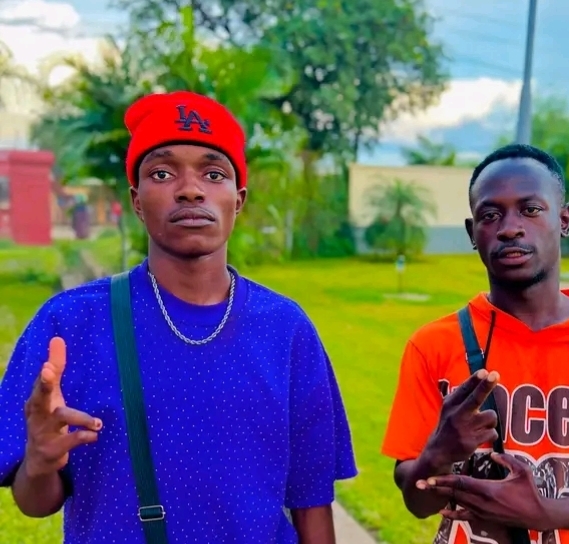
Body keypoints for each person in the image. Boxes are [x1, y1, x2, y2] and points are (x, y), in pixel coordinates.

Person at [0, 90, 357, 544]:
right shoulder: (71, 324)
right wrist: (38, 462)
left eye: (214, 173)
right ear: (136, 200)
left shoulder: (285, 329)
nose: (190, 189)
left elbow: (312, 501)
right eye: (162, 173)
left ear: (238, 200)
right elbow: (35, 502)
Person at [380, 144, 569, 544]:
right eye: (490, 215)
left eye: (531, 209)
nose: (510, 228)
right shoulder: (432, 344)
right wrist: (438, 452)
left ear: (564, 219)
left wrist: (541, 512)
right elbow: (417, 502)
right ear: (472, 233)